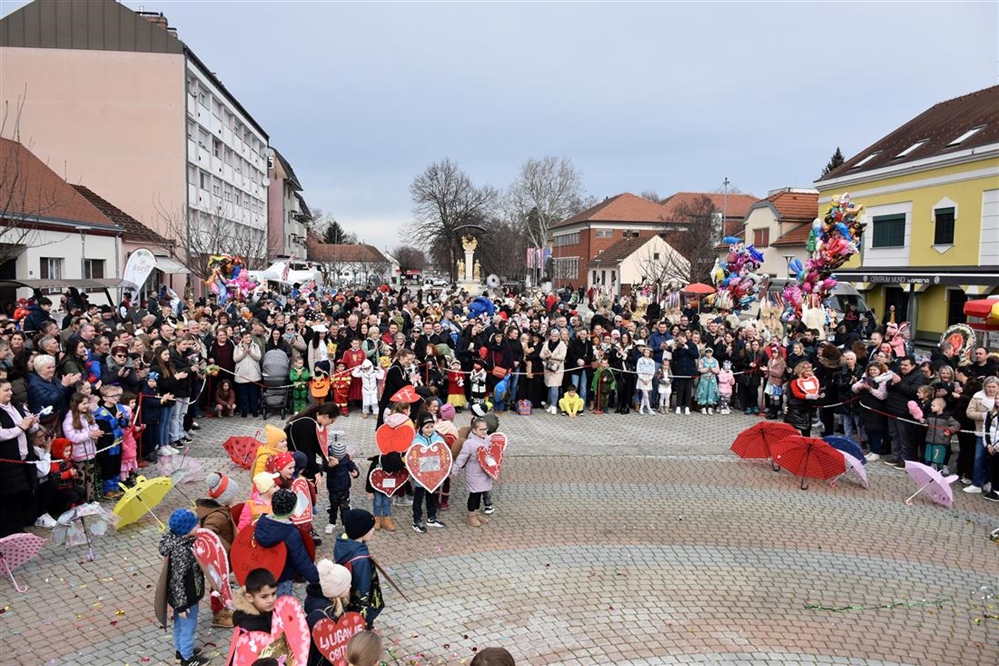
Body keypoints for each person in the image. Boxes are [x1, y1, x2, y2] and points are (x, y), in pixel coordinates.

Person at [159, 509, 209, 666]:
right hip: (186, 597)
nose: (198, 526)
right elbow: (177, 580)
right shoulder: (182, 550)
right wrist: (181, 605)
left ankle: (180, 651)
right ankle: (187, 658)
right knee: (188, 626)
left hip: (182, 596)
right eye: (195, 525)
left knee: (180, 625)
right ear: (186, 530)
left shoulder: (178, 542)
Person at [254, 489, 320, 598]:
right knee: (282, 604)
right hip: (283, 576)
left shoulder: (261, 523)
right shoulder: (291, 533)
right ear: (292, 510)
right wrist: (316, 578)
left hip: (263, 574)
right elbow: (301, 560)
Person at [196, 472, 239, 628]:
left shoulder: (221, 509)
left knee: (221, 582)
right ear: (226, 497)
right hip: (219, 557)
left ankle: (223, 606)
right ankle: (218, 613)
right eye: (233, 494)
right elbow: (208, 534)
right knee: (217, 584)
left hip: (223, 555)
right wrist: (225, 546)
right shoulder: (218, 516)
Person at [0, 378, 40, 537]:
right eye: (6, 390)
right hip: (7, 461)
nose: (10, 393)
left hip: (25, 457)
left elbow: (31, 429)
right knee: (10, 496)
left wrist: (32, 423)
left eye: (10, 389)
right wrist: (20, 428)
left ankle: (20, 526)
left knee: (24, 492)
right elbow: (2, 434)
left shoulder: (17, 405)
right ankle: (8, 530)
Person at [334, 509, 383, 630]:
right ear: (362, 531)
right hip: (360, 608)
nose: (373, 530)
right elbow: (362, 591)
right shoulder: (361, 560)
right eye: (370, 528)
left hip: (349, 600)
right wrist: (363, 622)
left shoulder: (344, 544)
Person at [305, 559, 354, 666]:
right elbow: (307, 645)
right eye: (347, 585)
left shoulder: (339, 605)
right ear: (337, 589)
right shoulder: (318, 616)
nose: (350, 586)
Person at [452, 417, 494, 527]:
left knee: (480, 493)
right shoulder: (469, 443)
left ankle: (477, 513)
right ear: (474, 430)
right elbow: (461, 458)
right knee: (474, 494)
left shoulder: (488, 440)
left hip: (484, 473)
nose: (484, 431)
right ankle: (471, 516)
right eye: (481, 429)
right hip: (473, 473)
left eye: (485, 429)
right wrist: (454, 471)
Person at [410, 415, 447, 533]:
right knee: (418, 498)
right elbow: (413, 459)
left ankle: (432, 517)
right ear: (421, 427)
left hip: (433, 477)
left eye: (431, 426)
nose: (430, 429)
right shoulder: (416, 442)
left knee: (431, 497)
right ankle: (417, 520)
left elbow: (444, 455)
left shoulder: (438, 439)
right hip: (421, 478)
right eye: (427, 427)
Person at [965, 376, 999, 495]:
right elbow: (969, 412)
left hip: (997, 438)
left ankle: (990, 483)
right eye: (989, 387)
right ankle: (976, 483)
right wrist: (983, 416)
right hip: (982, 433)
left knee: (993, 462)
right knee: (978, 458)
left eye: (994, 387)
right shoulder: (977, 397)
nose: (991, 389)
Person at [324, 430, 360, 535]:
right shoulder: (328, 459)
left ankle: (346, 524)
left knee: (345, 507)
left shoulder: (346, 458)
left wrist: (355, 472)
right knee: (333, 506)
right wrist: (330, 465)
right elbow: (324, 468)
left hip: (344, 487)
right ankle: (332, 522)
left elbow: (352, 466)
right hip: (332, 487)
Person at [853, 362, 891, 462]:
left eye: (874, 370)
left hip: (876, 409)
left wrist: (871, 390)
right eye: (870, 370)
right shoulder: (866, 378)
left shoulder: (883, 380)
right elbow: (854, 387)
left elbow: (883, 396)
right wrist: (859, 387)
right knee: (868, 430)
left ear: (880, 370)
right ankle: (872, 450)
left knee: (875, 431)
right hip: (865, 409)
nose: (872, 372)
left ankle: (876, 451)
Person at [365, 451, 403, 532]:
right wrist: (369, 491)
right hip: (378, 486)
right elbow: (370, 477)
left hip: (388, 487)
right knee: (377, 502)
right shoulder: (376, 463)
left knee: (386, 502)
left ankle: (387, 519)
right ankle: (377, 519)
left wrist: (394, 490)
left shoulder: (395, 464)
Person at [232, 567, 278, 633]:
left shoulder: (267, 609)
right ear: (249, 598)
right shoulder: (251, 626)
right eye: (264, 597)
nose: (271, 600)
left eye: (273, 593)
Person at [922, 397, 961, 474]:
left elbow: (957, 425)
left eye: (933, 406)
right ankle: (929, 471)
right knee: (928, 457)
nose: (931, 407)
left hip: (941, 442)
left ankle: (940, 470)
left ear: (940, 407)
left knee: (939, 459)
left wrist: (949, 430)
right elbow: (926, 422)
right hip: (930, 440)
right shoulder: (930, 416)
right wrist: (923, 422)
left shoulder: (947, 417)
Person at [785, 362, 823, 436]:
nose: (808, 373)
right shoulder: (795, 381)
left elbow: (814, 390)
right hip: (796, 408)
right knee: (793, 429)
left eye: (810, 371)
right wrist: (809, 396)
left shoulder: (812, 379)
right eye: (806, 371)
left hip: (806, 408)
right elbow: (796, 394)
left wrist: (819, 394)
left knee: (806, 429)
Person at [539, 328, 567, 415]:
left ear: (558, 336)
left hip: (557, 368)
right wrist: (545, 356)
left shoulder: (562, 344)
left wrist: (552, 355)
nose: (554, 338)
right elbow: (541, 354)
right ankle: (551, 404)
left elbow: (562, 356)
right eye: (552, 336)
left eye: (556, 336)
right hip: (548, 368)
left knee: (555, 386)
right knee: (550, 386)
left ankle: (554, 405)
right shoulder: (546, 343)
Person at [695, 347, 720, 415]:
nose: (708, 354)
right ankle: (703, 407)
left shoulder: (715, 361)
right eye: (707, 352)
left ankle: (710, 407)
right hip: (704, 378)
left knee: (711, 392)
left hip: (712, 379)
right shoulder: (702, 360)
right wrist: (706, 369)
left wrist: (712, 370)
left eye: (710, 352)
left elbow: (718, 370)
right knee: (704, 392)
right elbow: (700, 369)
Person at [635, 344, 656, 415]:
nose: (646, 354)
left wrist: (649, 379)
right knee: (645, 394)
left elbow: (653, 371)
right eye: (645, 352)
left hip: (648, 379)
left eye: (648, 352)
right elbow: (638, 370)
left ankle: (641, 409)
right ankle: (649, 409)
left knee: (645, 395)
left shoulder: (652, 361)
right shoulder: (640, 360)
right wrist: (642, 378)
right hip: (642, 379)